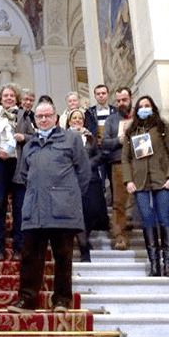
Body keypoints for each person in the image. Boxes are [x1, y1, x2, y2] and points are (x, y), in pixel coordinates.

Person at [8, 100, 91, 313]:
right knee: (30, 257)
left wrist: (69, 195)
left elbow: (84, 172)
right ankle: (27, 300)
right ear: (35, 120)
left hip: (63, 210)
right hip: (35, 208)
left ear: (55, 118)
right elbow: (24, 176)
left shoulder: (71, 138)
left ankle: (62, 301)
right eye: (39, 116)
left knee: (63, 257)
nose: (43, 119)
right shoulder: (29, 145)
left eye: (47, 116)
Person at [122, 95, 169, 276]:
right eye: (141, 106)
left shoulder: (163, 128)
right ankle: (154, 264)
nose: (144, 108)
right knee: (147, 220)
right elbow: (125, 158)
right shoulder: (131, 131)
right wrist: (128, 180)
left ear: (153, 108)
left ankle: (168, 264)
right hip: (140, 183)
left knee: (165, 219)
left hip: (162, 179)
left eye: (147, 105)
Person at [0, 83, 34, 260]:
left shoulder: (23, 116)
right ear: (0, 98)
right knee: (0, 205)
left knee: (19, 208)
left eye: (12, 96)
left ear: (16, 99)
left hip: (18, 165)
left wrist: (24, 137)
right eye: (6, 96)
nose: (9, 98)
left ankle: (19, 248)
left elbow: (34, 136)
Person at [66, 108, 109, 262]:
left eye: (79, 118)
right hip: (72, 180)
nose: (77, 120)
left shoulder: (90, 137)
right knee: (79, 213)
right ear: (69, 121)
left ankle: (85, 237)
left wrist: (87, 164)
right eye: (74, 118)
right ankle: (84, 247)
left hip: (91, 179)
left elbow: (99, 155)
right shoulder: (64, 137)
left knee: (93, 212)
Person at [102, 87, 134, 250]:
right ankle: (119, 236)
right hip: (119, 163)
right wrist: (118, 140)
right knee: (119, 202)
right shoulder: (111, 120)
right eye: (119, 100)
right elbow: (105, 142)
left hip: (141, 163)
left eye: (124, 99)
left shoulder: (139, 117)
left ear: (131, 98)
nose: (121, 103)